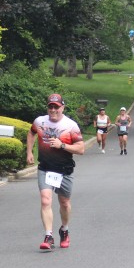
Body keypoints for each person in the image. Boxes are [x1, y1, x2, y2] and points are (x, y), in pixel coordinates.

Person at [26, 93, 85, 250]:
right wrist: (29, 152)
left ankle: (64, 230)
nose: (53, 110)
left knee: (64, 203)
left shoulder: (71, 126)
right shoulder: (39, 121)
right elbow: (31, 132)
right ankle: (48, 236)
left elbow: (81, 149)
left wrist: (62, 145)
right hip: (45, 168)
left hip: (64, 170)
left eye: (56, 107)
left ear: (62, 108)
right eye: (50, 107)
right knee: (46, 200)